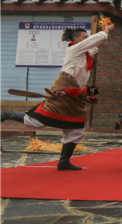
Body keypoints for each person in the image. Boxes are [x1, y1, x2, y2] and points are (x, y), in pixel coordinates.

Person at [24, 24, 114, 170]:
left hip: (75, 91)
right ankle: (5, 115)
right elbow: (95, 40)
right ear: (76, 40)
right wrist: (106, 30)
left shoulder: (84, 54)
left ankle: (64, 162)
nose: (87, 39)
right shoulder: (74, 49)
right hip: (64, 87)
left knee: (76, 128)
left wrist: (104, 34)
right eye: (84, 37)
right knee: (38, 120)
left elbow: (95, 47)